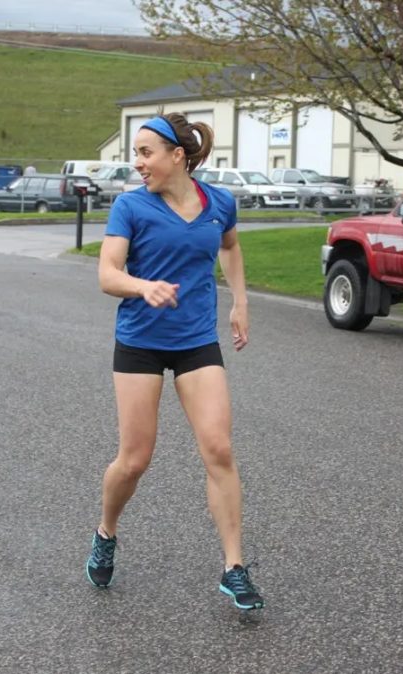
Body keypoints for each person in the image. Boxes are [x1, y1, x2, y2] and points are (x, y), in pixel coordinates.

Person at [85, 113, 265, 609]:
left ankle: (234, 567)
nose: (137, 163)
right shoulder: (131, 206)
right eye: (136, 153)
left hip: (195, 340)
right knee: (135, 459)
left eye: (146, 153)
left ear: (176, 155)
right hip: (141, 339)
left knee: (219, 449)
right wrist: (145, 287)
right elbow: (107, 273)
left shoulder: (219, 203)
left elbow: (229, 245)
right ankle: (107, 530)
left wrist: (241, 300)